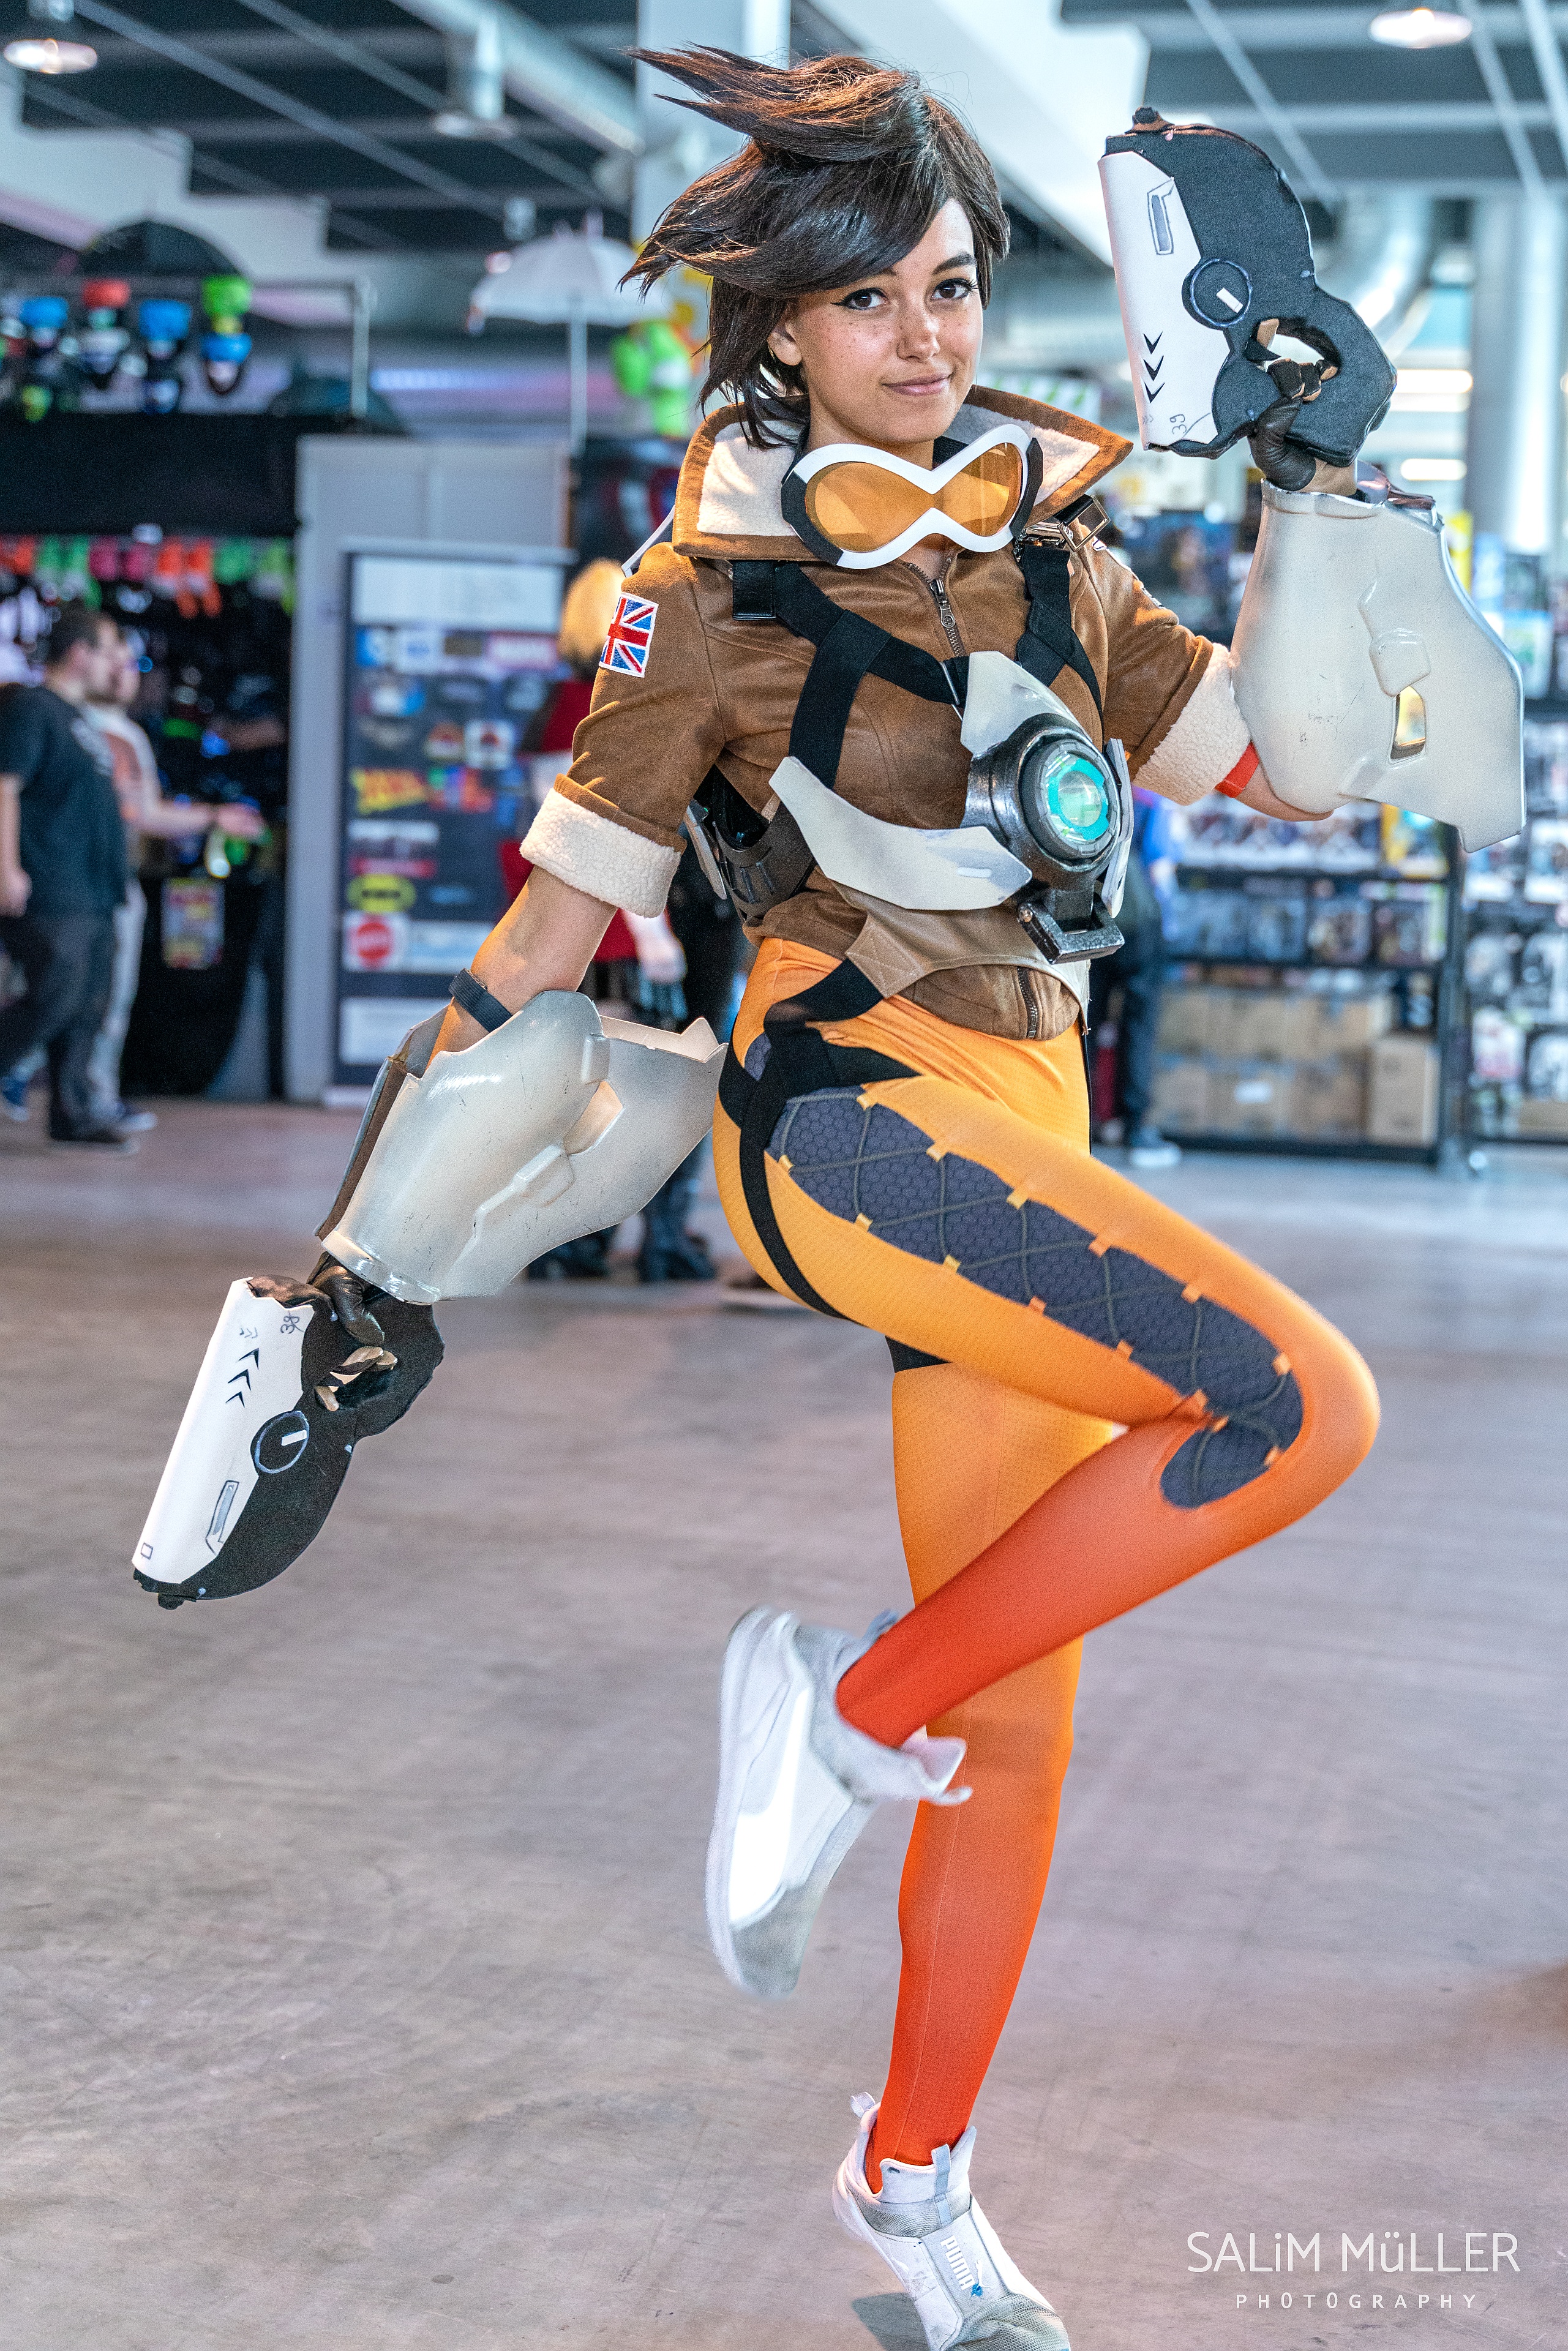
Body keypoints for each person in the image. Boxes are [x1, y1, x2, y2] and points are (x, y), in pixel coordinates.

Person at [165, 48, 1432, 2348]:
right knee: (1295, 1407)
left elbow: (1290, 769)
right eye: (868, 302)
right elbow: (546, 939)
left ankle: (912, 2186)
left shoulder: (1057, 551)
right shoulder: (702, 590)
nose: (924, 335)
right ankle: (836, 1711)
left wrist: (1311, 475)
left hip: (1030, 1133)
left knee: (1017, 1726)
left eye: (947, 285)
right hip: (844, 1120)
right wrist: (344, 1272)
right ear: (780, 330)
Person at [84, 635, 264, 1132]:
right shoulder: (70, 723)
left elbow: (144, 813)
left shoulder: (125, 734)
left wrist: (213, 817)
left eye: (131, 664)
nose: (126, 673)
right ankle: (64, 1089)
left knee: (102, 998)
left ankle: (90, 1099)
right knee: (69, 995)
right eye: (115, 661)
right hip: (72, 884)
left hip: (108, 883)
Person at [0, 607, 135, 1149]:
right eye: (108, 652)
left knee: (87, 1007)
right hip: (54, 884)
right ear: (79, 654)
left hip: (96, 889)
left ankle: (71, 1113)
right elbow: (5, 787)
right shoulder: (33, 708)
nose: (117, 664)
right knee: (54, 996)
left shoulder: (82, 719)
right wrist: (6, 867)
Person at [1087, 782, 1179, 1168]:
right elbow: (1161, 868)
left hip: (1091, 919)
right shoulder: (1151, 799)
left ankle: (1080, 1124)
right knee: (1138, 1026)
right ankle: (1136, 1130)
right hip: (1140, 926)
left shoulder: (1092, 785)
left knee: (1084, 1025)